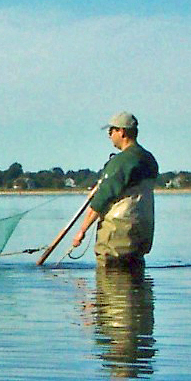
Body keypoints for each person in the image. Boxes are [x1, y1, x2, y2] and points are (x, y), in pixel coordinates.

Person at [72, 112, 159, 268]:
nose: (109, 135)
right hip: (140, 240)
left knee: (109, 286)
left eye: (111, 131)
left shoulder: (121, 162)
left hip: (116, 241)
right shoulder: (149, 159)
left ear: (122, 132)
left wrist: (82, 231)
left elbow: (100, 201)